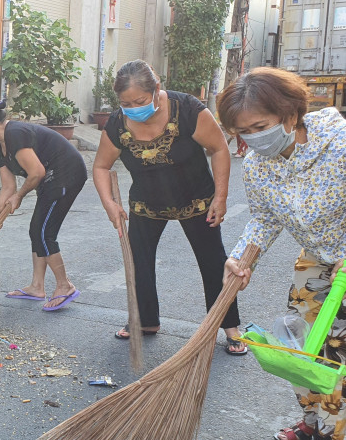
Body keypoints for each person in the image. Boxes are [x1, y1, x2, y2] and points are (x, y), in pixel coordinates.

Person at [218, 66, 346, 440]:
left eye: (259, 126)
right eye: (242, 132)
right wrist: (241, 259)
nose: (252, 139)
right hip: (318, 253)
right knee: (296, 344)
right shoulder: (260, 163)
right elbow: (264, 217)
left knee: (334, 353)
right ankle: (312, 418)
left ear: (291, 114)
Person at [93, 60, 246, 354]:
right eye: (126, 103)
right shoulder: (117, 123)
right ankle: (146, 320)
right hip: (147, 204)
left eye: (139, 101)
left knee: (213, 261)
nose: (133, 107)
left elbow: (218, 149)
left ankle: (229, 325)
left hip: (196, 199)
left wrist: (221, 196)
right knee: (139, 261)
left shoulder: (187, 110)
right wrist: (109, 204)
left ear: (157, 89)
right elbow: (100, 166)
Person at [0, 98, 88, 311]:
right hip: (50, 177)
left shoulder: (15, 133)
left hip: (66, 172)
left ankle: (64, 286)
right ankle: (36, 287)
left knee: (44, 231)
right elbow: (7, 188)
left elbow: (37, 172)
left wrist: (20, 196)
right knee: (36, 230)